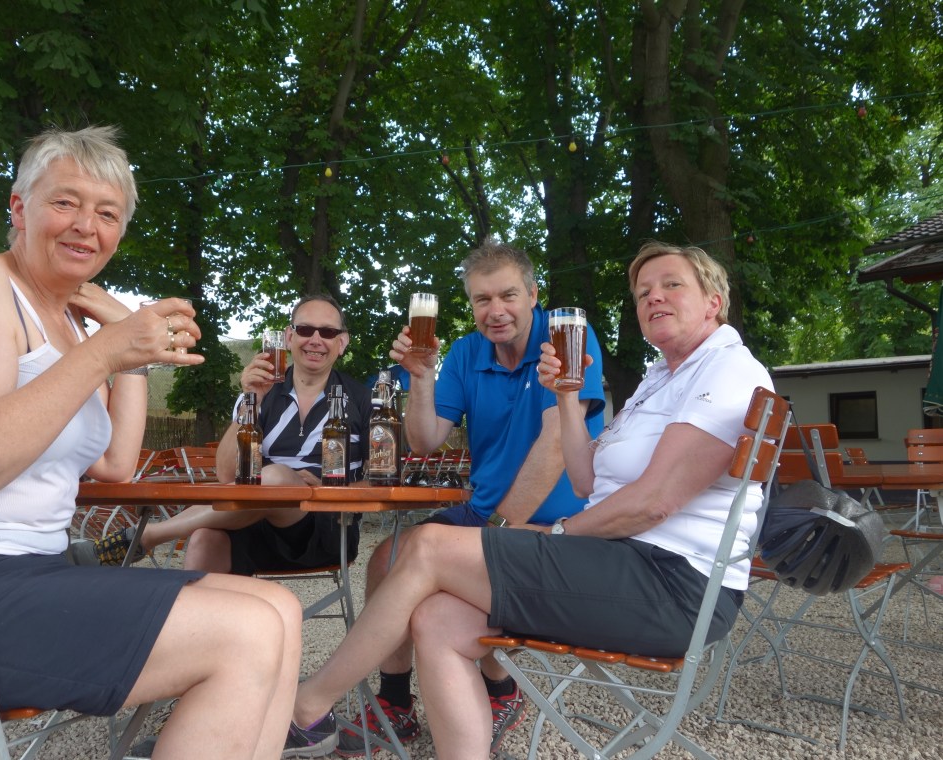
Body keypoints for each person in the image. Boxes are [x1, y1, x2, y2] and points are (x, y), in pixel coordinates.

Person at [0, 126, 302, 760]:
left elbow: (114, 466)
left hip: (26, 581)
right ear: (19, 208)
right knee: (246, 632)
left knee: (280, 609)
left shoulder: (67, 327)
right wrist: (106, 351)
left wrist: (129, 359)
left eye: (106, 213)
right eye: (66, 202)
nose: (86, 224)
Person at [280, 241, 772, 758]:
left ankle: (305, 709)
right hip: (624, 560)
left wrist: (545, 531)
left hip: (674, 586)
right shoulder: (663, 377)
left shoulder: (725, 370)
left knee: (425, 547)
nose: (654, 297)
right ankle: (419, 711)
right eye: (644, 290)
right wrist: (563, 396)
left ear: (714, 300)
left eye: (672, 285)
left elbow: (650, 504)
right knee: (436, 618)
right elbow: (587, 480)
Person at [332, 237, 606, 756]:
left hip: (560, 523)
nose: (495, 310)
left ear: (532, 293)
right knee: (387, 559)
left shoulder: (567, 338)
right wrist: (420, 377)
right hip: (482, 512)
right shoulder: (464, 351)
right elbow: (423, 440)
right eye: (483, 300)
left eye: (507, 295)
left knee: (442, 568)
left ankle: (498, 687)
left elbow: (554, 447)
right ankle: (396, 703)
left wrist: (492, 533)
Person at [94, 294, 370, 575]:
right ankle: (201, 617)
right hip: (254, 525)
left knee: (274, 476)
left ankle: (150, 536)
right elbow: (227, 475)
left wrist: (322, 490)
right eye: (304, 330)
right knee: (204, 538)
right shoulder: (261, 391)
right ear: (289, 337)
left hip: (328, 527)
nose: (315, 339)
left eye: (327, 332)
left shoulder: (362, 400)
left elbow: (383, 477)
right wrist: (251, 401)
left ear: (342, 342)